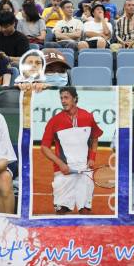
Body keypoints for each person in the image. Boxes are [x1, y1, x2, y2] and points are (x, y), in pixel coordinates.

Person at [40, 87, 103, 215]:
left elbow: (95, 138)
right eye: (61, 98)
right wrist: (61, 164)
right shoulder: (54, 121)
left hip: (84, 169)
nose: (63, 101)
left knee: (85, 211)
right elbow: (44, 147)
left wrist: (92, 158)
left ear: (74, 98)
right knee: (62, 211)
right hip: (63, 170)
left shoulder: (87, 117)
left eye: (66, 97)